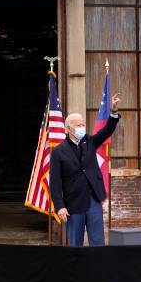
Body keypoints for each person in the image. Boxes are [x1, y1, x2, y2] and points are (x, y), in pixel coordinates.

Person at [50, 93, 121, 246]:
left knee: (98, 242)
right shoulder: (58, 152)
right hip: (73, 204)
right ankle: (76, 269)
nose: (82, 127)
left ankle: (98, 269)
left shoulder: (89, 141)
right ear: (68, 128)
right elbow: (55, 182)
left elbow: (106, 131)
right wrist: (59, 206)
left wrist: (114, 112)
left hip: (93, 199)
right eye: (78, 125)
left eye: (83, 124)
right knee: (75, 244)